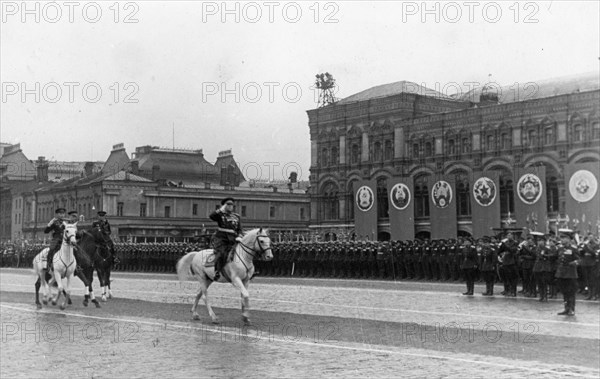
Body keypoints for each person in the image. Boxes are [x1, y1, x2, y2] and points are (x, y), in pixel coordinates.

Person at [209, 197, 242, 281]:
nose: (230, 206)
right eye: (228, 205)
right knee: (221, 253)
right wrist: (220, 210)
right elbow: (211, 216)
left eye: (232, 205)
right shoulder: (220, 215)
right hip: (222, 238)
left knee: (245, 252)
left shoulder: (236, 216)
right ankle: (217, 271)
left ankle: (247, 271)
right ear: (224, 206)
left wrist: (239, 236)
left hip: (234, 238)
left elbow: (239, 228)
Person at [555, 229, 580, 316]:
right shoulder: (560, 249)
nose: (562, 240)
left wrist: (574, 263)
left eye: (564, 238)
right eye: (561, 238)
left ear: (569, 239)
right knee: (564, 291)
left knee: (571, 292)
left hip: (570, 274)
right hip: (562, 273)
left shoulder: (573, 249)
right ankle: (566, 308)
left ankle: (571, 309)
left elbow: (579, 260)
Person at [44, 208, 67, 272]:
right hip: (56, 238)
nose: (62, 215)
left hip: (65, 239)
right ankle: (48, 264)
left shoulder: (66, 222)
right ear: (57, 214)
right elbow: (46, 231)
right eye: (60, 214)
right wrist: (50, 224)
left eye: (63, 214)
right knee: (52, 249)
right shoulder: (54, 222)